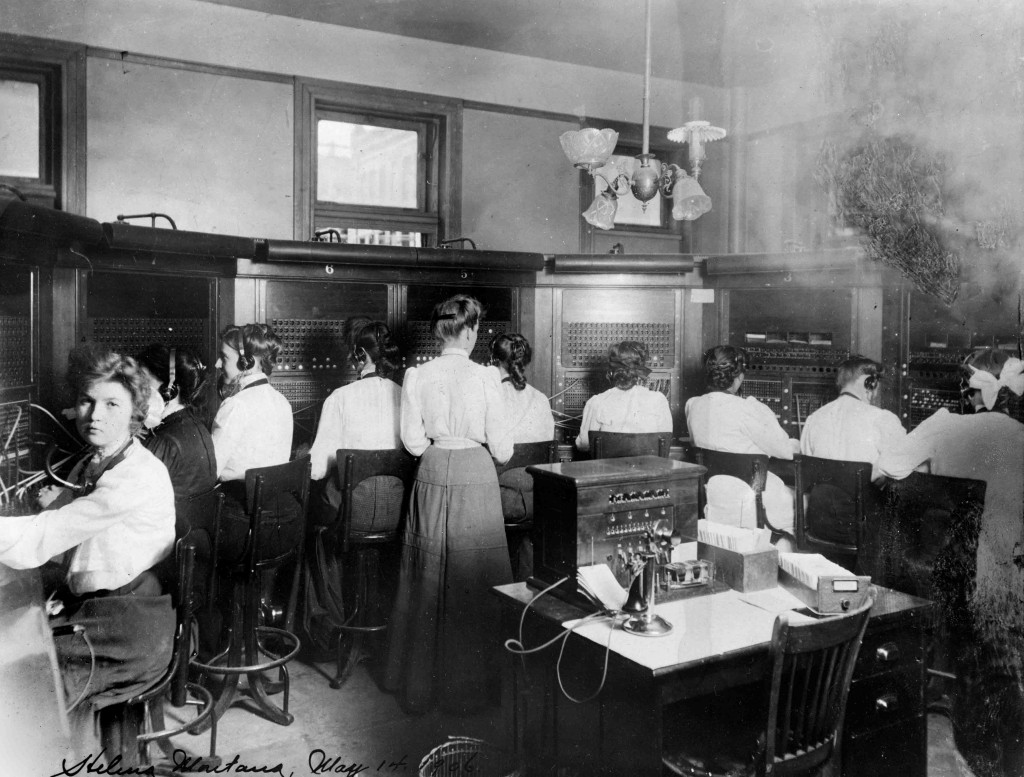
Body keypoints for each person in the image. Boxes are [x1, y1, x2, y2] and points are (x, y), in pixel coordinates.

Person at [0, 346, 175, 730]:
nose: (95, 415)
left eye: (112, 404)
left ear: (135, 411)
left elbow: (45, 535)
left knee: (21, 673)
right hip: (105, 609)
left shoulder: (136, 476)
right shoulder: (97, 459)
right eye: (86, 401)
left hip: (130, 627)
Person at [877, 348, 1024, 776]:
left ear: (967, 388)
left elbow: (887, 471)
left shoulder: (943, 424)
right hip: (1009, 583)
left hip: (951, 575)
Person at [383, 294, 514, 714]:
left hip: (433, 469)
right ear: (472, 331)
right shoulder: (488, 377)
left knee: (426, 575)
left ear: (440, 331)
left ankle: (420, 687)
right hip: (476, 471)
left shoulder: (417, 376)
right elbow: (505, 450)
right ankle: (473, 692)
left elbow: (413, 441)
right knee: (476, 576)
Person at [685, 345, 797, 540]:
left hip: (714, 501)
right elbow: (786, 450)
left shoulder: (693, 405)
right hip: (752, 505)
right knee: (802, 502)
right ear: (739, 377)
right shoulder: (749, 408)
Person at [211, 323, 294, 564]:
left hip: (240, 523)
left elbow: (211, 472)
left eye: (223, 357)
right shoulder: (282, 402)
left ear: (246, 362)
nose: (217, 364)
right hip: (279, 522)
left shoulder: (236, 405)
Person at [309, 320, 404, 529]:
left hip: (351, 511)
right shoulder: (404, 395)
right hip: (396, 509)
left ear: (360, 354)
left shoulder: (339, 397)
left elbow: (316, 470)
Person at [490, 332, 554, 579]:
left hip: (500, 500)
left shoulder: (491, 396)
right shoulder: (540, 398)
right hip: (537, 497)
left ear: (493, 360)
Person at [800, 355, 905, 480]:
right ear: (870, 383)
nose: (876, 394)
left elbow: (807, 471)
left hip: (822, 498)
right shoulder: (883, 418)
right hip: (865, 499)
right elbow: (902, 467)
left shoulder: (813, 419)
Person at [575, 340, 673, 453]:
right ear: (639, 370)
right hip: (648, 469)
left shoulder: (597, 402)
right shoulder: (659, 400)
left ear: (611, 372)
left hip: (610, 470)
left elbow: (583, 445)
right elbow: (665, 443)